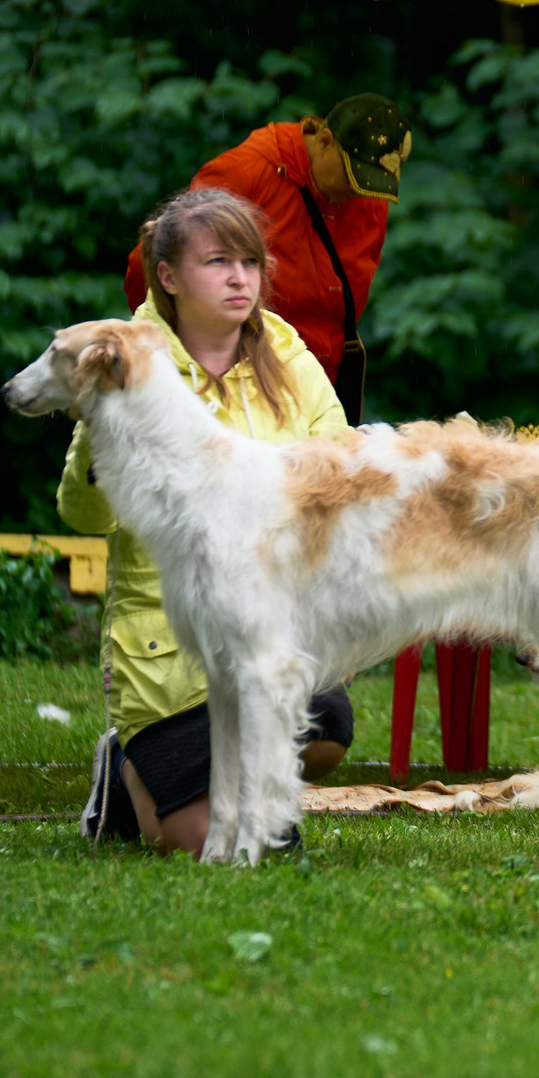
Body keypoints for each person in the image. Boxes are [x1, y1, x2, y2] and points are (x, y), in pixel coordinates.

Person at [70, 191, 355, 855]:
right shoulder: (126, 358)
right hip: (167, 653)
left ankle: (243, 797)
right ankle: (125, 771)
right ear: (167, 277)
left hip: (264, 625)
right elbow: (84, 516)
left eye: (251, 263)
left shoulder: (284, 347)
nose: (240, 280)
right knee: (196, 840)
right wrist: (98, 429)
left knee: (329, 726)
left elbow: (340, 471)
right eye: (219, 262)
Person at [123, 95, 409, 425]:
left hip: (318, 392)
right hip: (237, 392)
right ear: (325, 141)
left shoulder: (368, 197)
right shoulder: (248, 172)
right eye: (353, 177)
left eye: (370, 184)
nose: (359, 194)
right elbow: (150, 272)